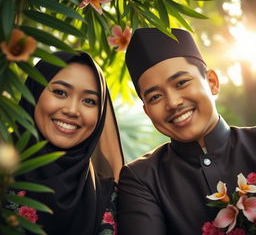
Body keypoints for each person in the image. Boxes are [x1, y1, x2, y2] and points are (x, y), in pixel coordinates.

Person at [117, 28, 256, 234]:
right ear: (147, 112)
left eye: (181, 83)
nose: (173, 103)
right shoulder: (141, 179)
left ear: (212, 82)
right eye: (155, 97)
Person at [11, 51, 124, 235]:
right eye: (60, 92)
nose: (72, 110)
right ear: (34, 92)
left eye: (88, 101)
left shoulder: (110, 197)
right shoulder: (4, 171)